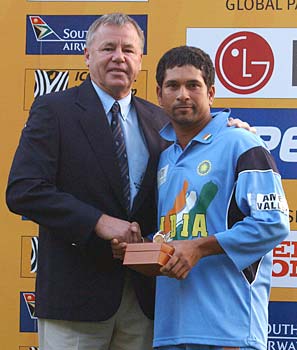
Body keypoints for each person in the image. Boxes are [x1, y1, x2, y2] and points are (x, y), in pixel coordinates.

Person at [7, 12, 254, 350]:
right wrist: (98, 222)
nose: (118, 57)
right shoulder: (54, 110)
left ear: (140, 60)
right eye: (108, 48)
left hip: (146, 300)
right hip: (77, 299)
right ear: (87, 54)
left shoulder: (160, 120)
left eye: (128, 49)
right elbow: (25, 190)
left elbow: (198, 156)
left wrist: (234, 132)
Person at [152, 46, 289, 350]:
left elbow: (273, 224)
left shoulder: (241, 143)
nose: (183, 94)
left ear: (211, 93)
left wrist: (200, 247)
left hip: (230, 330)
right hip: (170, 330)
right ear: (159, 94)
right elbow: (173, 234)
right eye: (173, 86)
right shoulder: (164, 157)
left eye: (193, 85)